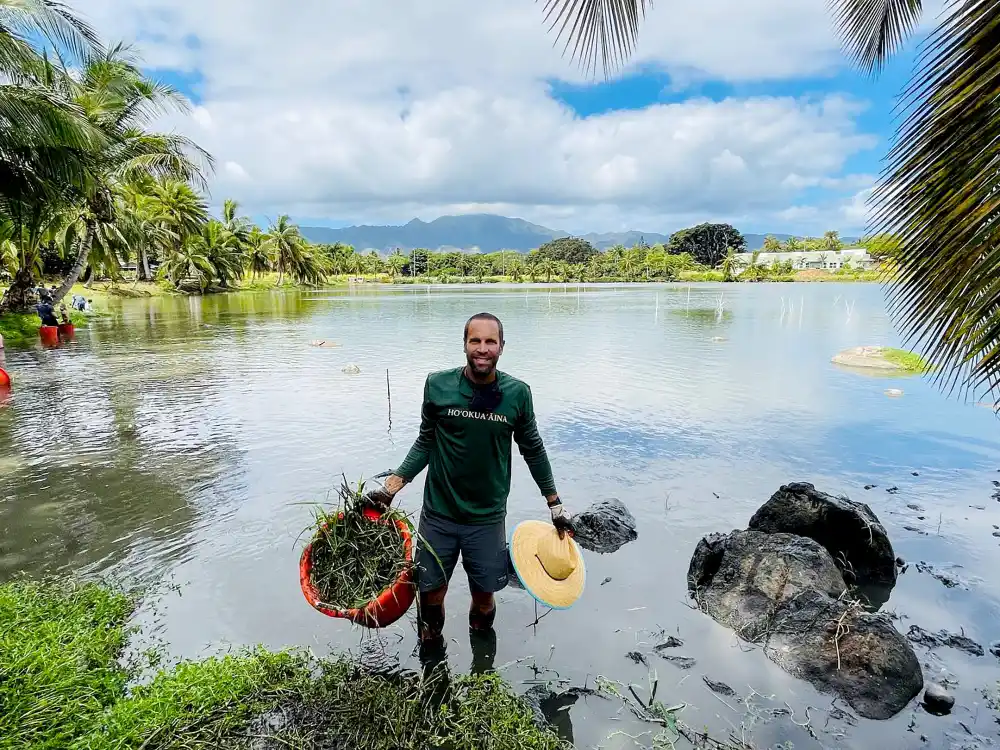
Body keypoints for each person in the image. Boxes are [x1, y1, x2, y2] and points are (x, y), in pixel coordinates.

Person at [370, 312, 573, 657]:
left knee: (484, 598)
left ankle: (482, 661)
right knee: (430, 596)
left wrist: (555, 506)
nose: (482, 349)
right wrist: (390, 489)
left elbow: (534, 450)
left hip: (487, 517)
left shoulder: (517, 394)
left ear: (502, 347)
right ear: (464, 344)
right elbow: (424, 442)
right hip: (439, 515)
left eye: (490, 341)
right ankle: (432, 662)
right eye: (475, 341)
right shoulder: (438, 385)